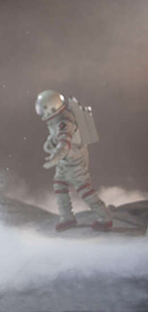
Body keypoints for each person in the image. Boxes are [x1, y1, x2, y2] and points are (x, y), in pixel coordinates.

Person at [35, 90, 113, 232]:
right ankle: (67, 218)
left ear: (51, 107)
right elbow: (57, 137)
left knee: (84, 190)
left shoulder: (64, 122)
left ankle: (105, 218)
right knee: (59, 186)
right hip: (66, 160)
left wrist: (54, 158)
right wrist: (50, 144)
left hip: (74, 160)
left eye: (42, 108)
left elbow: (64, 143)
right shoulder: (57, 119)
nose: (40, 111)